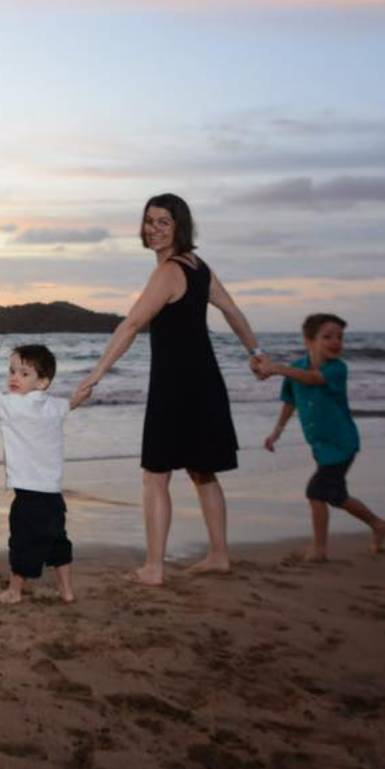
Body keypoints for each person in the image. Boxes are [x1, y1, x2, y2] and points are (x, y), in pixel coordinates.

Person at [74, 193, 266, 586]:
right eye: (149, 221)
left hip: (176, 386)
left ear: (180, 225)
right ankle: (218, 556)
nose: (154, 229)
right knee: (203, 471)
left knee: (155, 475)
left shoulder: (167, 273)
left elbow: (130, 325)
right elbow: (231, 310)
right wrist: (255, 352)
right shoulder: (199, 268)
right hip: (206, 381)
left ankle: (154, 568)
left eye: (163, 221)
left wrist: (95, 374)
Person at [0, 344, 85, 604]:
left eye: (24, 374)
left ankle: (14, 591)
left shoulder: (12, 406)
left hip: (28, 496)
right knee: (58, 541)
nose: (13, 378)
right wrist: (85, 388)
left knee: (22, 542)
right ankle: (66, 590)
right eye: (11, 371)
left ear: (42, 382)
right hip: (54, 495)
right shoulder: (55, 406)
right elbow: (73, 403)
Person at [262, 313, 385, 561]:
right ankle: (378, 525)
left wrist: (278, 368)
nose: (336, 342)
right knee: (336, 496)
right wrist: (276, 432)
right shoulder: (296, 368)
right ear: (308, 340)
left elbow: (313, 379)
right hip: (321, 446)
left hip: (341, 444)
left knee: (316, 492)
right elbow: (290, 401)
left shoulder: (336, 369)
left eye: (340, 337)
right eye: (328, 336)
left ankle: (319, 549)